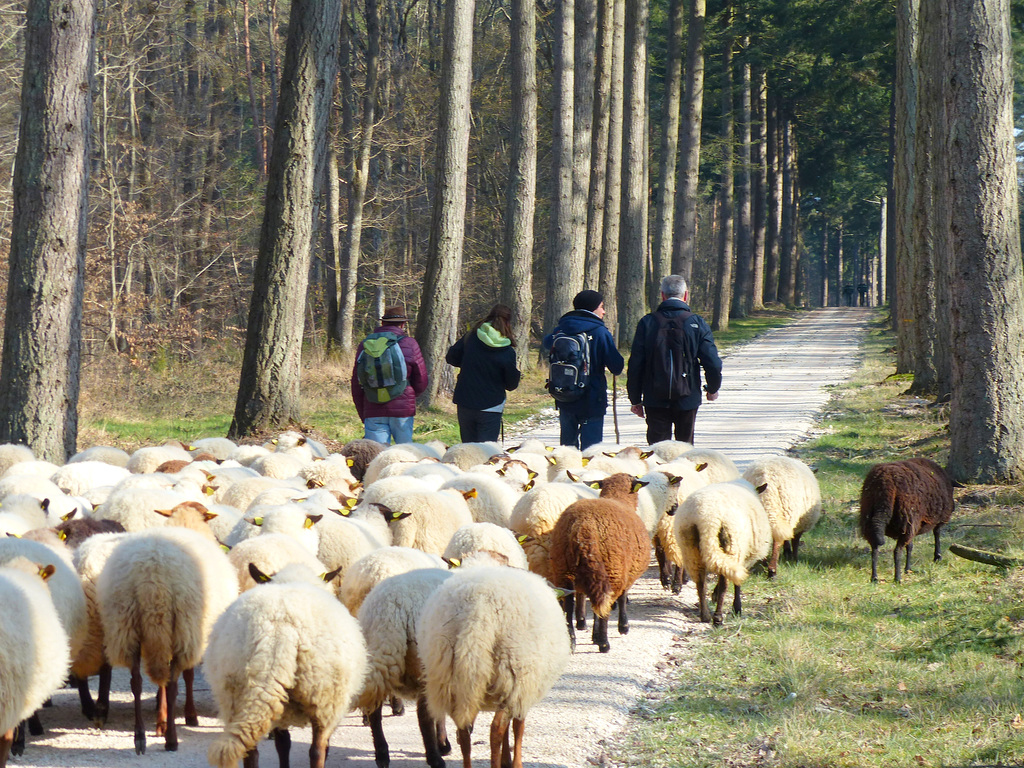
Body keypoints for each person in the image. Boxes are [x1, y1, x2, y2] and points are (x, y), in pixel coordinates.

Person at [626, 275, 722, 445]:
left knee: (658, 450)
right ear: (685, 295)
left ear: (662, 295)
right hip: (688, 395)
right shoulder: (697, 322)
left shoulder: (647, 323)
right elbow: (712, 362)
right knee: (684, 448)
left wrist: (635, 399)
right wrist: (712, 388)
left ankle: (658, 471)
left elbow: (636, 364)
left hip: (654, 396)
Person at [543, 289, 624, 450]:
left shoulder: (561, 329)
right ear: (593, 308)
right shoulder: (600, 332)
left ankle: (567, 474)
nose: (604, 311)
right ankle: (588, 475)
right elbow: (617, 366)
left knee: (567, 451)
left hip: (565, 395)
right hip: (592, 399)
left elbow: (547, 343)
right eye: (601, 306)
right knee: (591, 452)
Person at [351, 303, 428, 444]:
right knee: (404, 454)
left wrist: (363, 412)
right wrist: (408, 394)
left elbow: (357, 382)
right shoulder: (409, 343)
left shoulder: (365, 345)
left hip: (373, 407)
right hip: (403, 409)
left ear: (383, 323)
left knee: (377, 455)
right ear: (403, 324)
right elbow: (421, 380)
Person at [445, 303, 521, 443]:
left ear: (489, 316)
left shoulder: (471, 337)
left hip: (465, 400)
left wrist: (468, 363)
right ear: (508, 323)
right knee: (487, 452)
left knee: (468, 449)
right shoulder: (507, 351)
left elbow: (451, 357)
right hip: (492, 404)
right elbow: (511, 384)